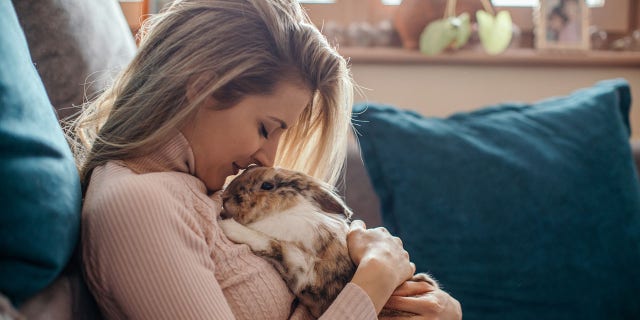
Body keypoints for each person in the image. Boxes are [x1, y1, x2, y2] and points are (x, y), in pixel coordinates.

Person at [71, 0, 462, 319]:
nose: (268, 157)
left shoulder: (206, 190)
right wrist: (374, 281)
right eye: (264, 128)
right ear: (204, 87)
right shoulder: (138, 205)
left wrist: (426, 306)